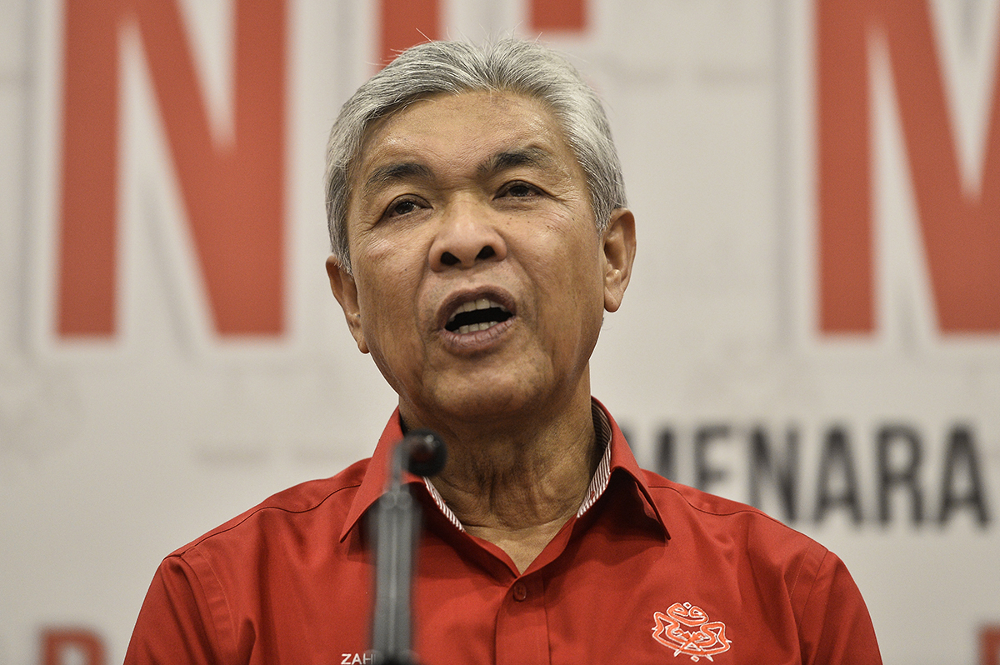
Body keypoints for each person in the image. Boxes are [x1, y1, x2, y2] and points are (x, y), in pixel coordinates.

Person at [125, 39, 882, 664]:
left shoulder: (790, 601)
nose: (464, 239)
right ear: (351, 300)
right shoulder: (221, 607)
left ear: (612, 256)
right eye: (406, 205)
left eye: (517, 189)